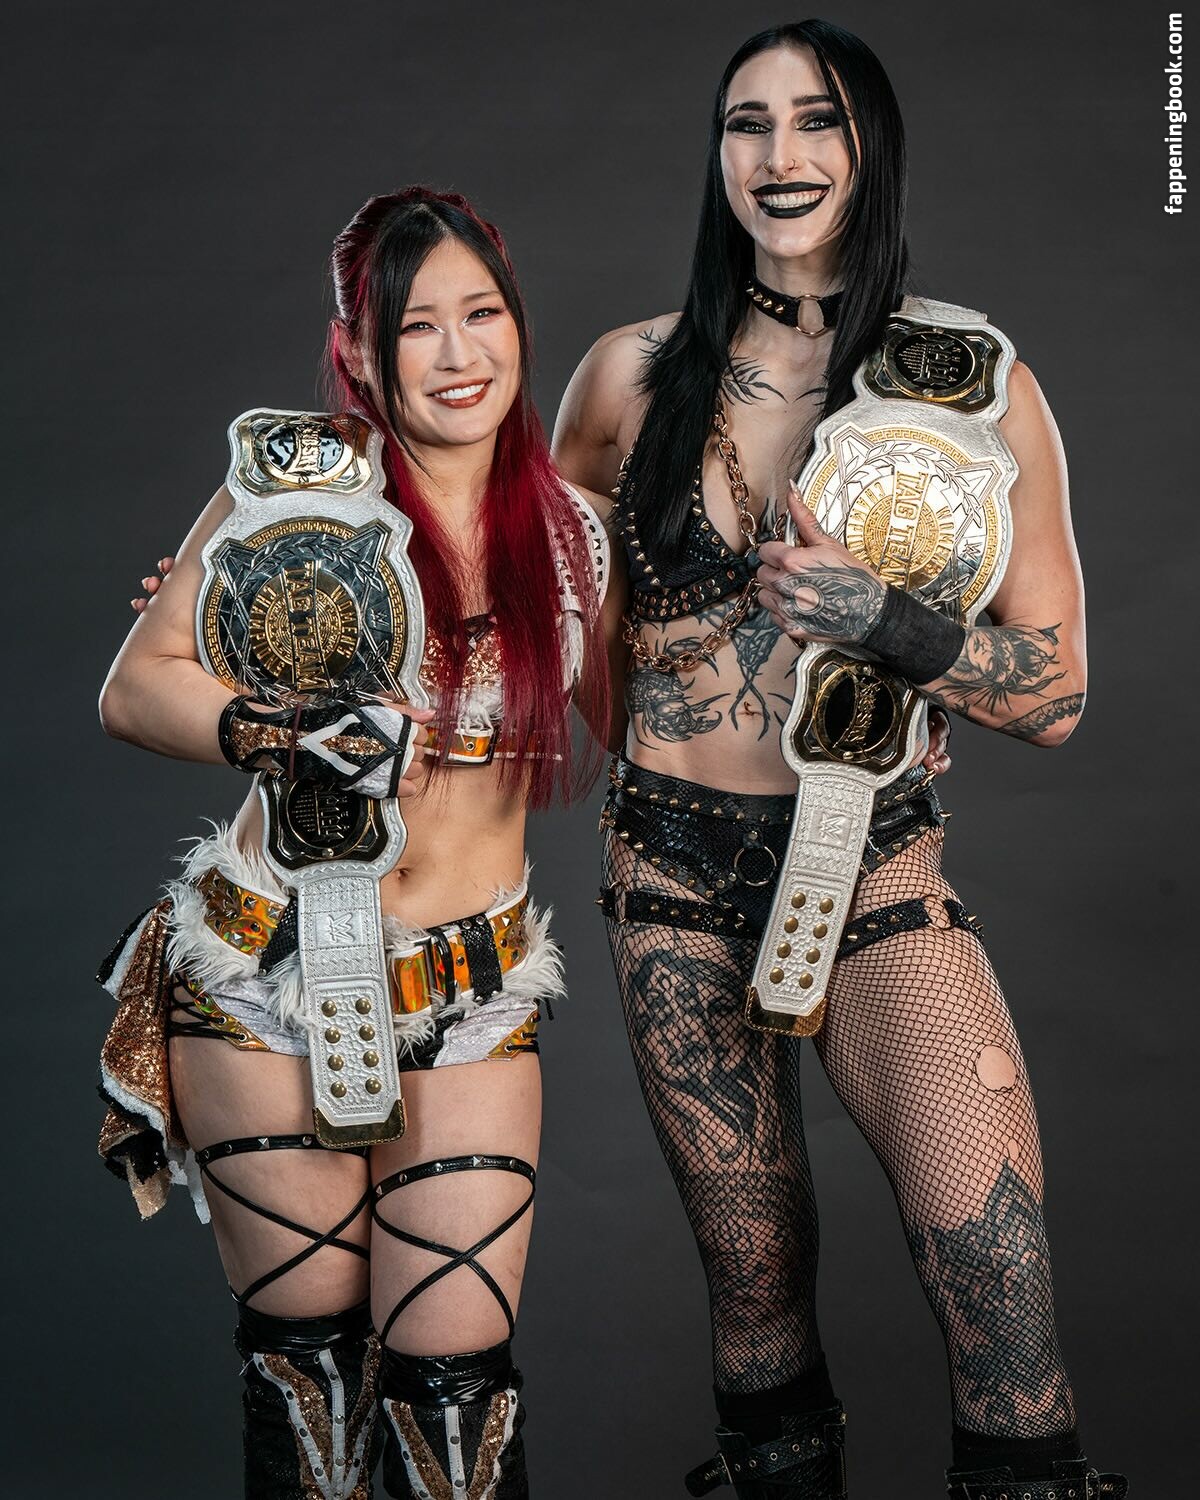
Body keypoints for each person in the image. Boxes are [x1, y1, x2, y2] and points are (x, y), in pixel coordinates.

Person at [552, 19, 1125, 1500]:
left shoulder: (974, 383)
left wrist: (889, 623)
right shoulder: (627, 375)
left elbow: (1058, 694)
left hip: (875, 869)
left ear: (872, 146)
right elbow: (521, 611)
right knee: (754, 1299)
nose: (780, 154)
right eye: (746, 123)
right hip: (671, 880)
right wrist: (223, 612)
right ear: (718, 155)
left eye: (817, 120)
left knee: (998, 1288)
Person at [97, 186, 617, 1500]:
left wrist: (874, 705)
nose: (458, 354)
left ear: (520, 325)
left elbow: (658, 730)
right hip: (268, 976)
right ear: (361, 353)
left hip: (472, 988)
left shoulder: (575, 536)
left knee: (458, 1400)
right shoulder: (292, 500)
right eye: (416, 326)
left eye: (482, 314)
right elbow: (136, 687)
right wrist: (272, 727)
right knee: (308, 1387)